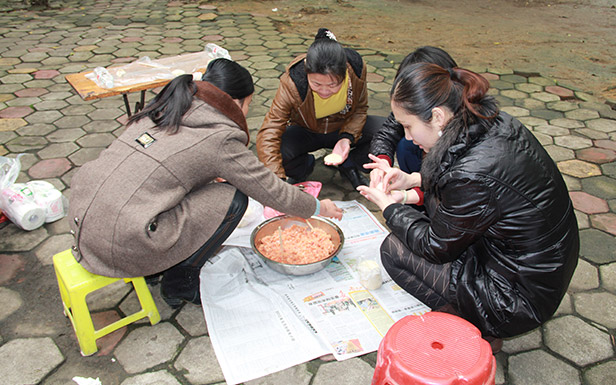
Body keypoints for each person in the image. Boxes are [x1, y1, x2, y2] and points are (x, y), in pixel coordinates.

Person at [68, 58, 343, 308]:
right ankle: (180, 280)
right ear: (236, 102)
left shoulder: (163, 108)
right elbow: (269, 189)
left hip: (84, 223)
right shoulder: (220, 137)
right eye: (248, 104)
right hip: (123, 244)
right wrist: (318, 208)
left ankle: (155, 268)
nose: (247, 112)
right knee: (233, 198)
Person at [357, 63, 579, 342]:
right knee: (428, 220)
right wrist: (414, 179)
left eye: (408, 126)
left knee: (394, 250)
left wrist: (390, 208)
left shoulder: (471, 175)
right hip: (541, 268)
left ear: (437, 117)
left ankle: (477, 330)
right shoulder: (490, 120)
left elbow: (435, 246)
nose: (409, 138)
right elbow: (476, 187)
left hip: (519, 297)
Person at [257, 28, 385, 189]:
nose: (324, 91)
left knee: (387, 130)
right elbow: (271, 129)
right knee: (273, 149)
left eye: (333, 85)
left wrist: (347, 138)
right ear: (306, 70)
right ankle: (302, 168)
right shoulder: (293, 82)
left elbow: (360, 109)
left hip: (340, 127)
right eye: (316, 84)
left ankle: (349, 164)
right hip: (306, 131)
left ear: (345, 72)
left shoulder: (356, 70)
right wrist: (277, 184)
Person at [369, 46, 457, 189]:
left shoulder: (468, 157)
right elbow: (386, 134)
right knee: (407, 146)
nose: (408, 135)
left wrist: (407, 198)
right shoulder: (412, 108)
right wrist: (382, 162)